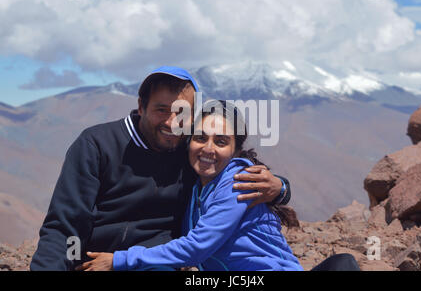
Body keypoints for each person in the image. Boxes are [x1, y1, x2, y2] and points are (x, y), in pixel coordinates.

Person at [30, 66, 291, 271]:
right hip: (97, 262)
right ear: (141, 107)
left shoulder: (191, 150)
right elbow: (65, 225)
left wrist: (280, 187)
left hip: (156, 264)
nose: (171, 122)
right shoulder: (98, 145)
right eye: (161, 110)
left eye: (181, 112)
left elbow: (231, 170)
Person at [75, 100, 303, 271]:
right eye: (200, 138)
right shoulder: (197, 187)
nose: (208, 149)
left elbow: (196, 247)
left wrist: (118, 260)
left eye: (221, 141)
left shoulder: (238, 181)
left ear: (236, 150)